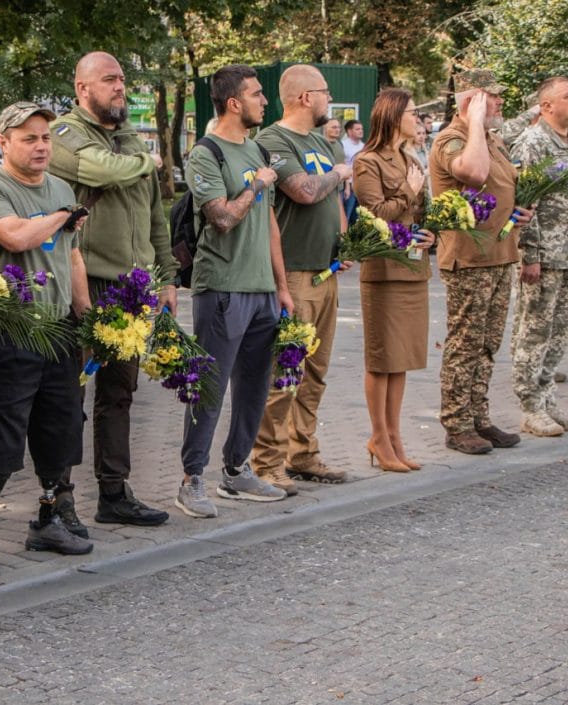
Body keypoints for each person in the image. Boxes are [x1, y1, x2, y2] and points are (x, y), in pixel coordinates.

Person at [0, 102, 93, 577]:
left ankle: (46, 519)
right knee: (0, 434)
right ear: (4, 143)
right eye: (29, 138)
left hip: (57, 329)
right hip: (10, 330)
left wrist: (89, 320)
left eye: (45, 138)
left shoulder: (60, 188)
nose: (40, 146)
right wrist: (62, 214)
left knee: (60, 430)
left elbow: (72, 259)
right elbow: (15, 237)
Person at [48, 52, 174, 529]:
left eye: (122, 79)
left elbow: (156, 214)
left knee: (120, 393)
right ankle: (57, 500)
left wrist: (166, 276)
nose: (120, 87)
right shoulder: (65, 134)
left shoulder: (129, 139)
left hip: (133, 285)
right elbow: (100, 171)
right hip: (85, 280)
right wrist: (147, 160)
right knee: (67, 393)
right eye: (109, 80)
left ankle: (114, 492)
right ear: (82, 88)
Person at [177, 64, 293, 518]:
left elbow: (270, 226)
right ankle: (191, 480)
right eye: (257, 94)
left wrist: (282, 288)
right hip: (222, 288)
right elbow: (222, 218)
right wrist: (258, 185)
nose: (265, 101)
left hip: (262, 289)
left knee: (254, 386)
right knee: (210, 386)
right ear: (233, 103)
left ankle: (236, 470)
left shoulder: (259, 148)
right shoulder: (206, 154)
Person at [250, 64, 353, 494]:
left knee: (315, 371)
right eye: (325, 92)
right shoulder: (273, 140)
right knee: (284, 373)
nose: (330, 100)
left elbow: (333, 205)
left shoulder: (318, 139)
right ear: (304, 97)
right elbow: (305, 191)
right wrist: (339, 174)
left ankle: (302, 452)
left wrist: (345, 244)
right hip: (294, 274)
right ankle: (266, 462)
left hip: (326, 272)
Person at [430, 69, 533, 455]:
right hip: (469, 259)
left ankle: (478, 416)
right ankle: (456, 424)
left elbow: (505, 184)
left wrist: (519, 211)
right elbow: (473, 174)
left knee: (488, 342)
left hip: (499, 253)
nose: (500, 102)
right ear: (471, 100)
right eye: (491, 96)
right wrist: (473, 118)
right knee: (465, 343)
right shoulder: (453, 139)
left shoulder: (492, 139)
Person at [510, 76, 568, 437]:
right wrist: (530, 255)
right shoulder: (534, 142)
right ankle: (530, 406)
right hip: (544, 255)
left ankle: (548, 397)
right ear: (547, 105)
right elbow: (525, 203)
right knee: (533, 332)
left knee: (559, 333)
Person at [353, 88, 437, 470]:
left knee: (401, 358)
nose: (417, 119)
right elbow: (377, 213)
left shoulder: (411, 156)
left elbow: (418, 214)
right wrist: (409, 190)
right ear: (393, 115)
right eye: (412, 113)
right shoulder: (366, 161)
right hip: (384, 272)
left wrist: (431, 233)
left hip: (412, 268)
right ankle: (379, 437)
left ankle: (395, 436)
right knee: (382, 358)